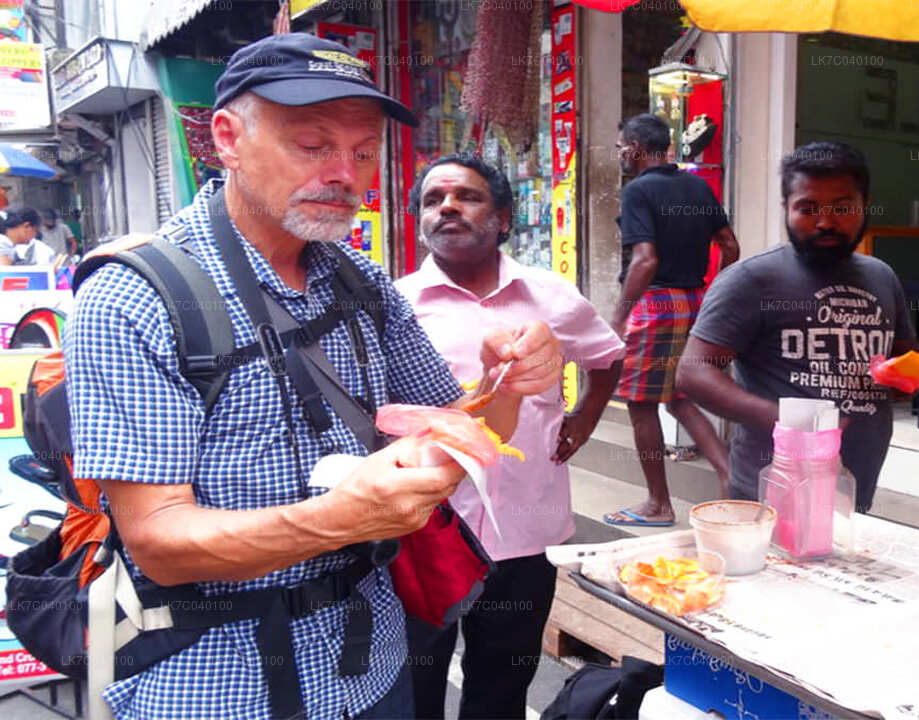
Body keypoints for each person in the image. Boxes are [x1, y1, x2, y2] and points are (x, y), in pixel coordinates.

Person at [63, 33, 561, 719]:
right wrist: (337, 519)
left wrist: (509, 380)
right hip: (215, 685)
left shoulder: (362, 283)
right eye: (312, 144)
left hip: (374, 667)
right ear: (228, 137)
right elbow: (159, 544)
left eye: (363, 152)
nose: (345, 174)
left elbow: (461, 436)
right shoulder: (136, 298)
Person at [395, 153, 624, 719]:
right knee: (414, 687)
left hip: (526, 531)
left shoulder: (549, 296)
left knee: (502, 685)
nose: (446, 206)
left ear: (501, 218)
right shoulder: (393, 304)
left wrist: (585, 417)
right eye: (432, 199)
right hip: (424, 531)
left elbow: (607, 356)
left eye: (466, 196)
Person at [676, 141, 917, 512]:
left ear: (864, 207)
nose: (825, 221)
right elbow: (693, 373)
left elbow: (901, 361)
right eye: (808, 208)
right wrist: (789, 420)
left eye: (842, 208)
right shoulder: (751, 280)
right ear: (786, 209)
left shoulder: (882, 277)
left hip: (855, 481)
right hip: (772, 486)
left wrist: (906, 378)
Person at [605, 113, 738, 527]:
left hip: (657, 303)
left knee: (641, 404)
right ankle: (734, 480)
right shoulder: (698, 185)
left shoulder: (638, 191)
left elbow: (645, 261)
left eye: (622, 146)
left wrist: (620, 318)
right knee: (680, 399)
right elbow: (730, 246)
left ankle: (658, 505)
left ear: (637, 148)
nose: (621, 154)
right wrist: (714, 292)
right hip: (696, 301)